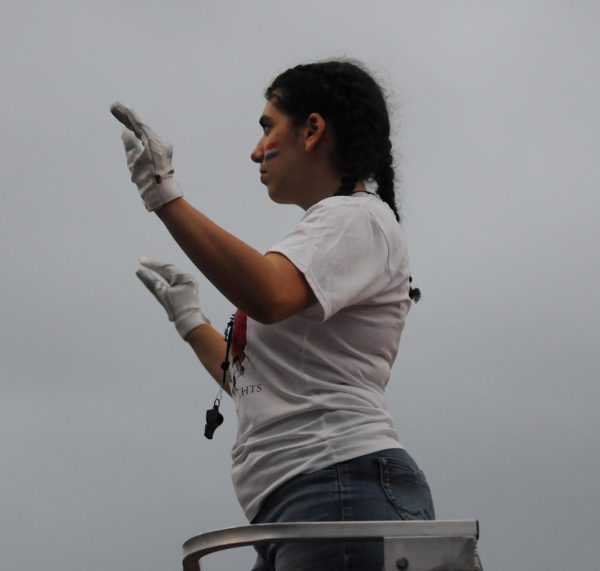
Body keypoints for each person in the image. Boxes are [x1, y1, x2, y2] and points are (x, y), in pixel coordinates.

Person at [110, 60, 434, 571]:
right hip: (309, 497)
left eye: (267, 127)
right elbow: (257, 383)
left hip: (336, 488)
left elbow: (267, 294)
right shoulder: (330, 231)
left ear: (312, 130)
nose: (256, 150)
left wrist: (163, 194)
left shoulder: (357, 218)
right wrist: (191, 323)